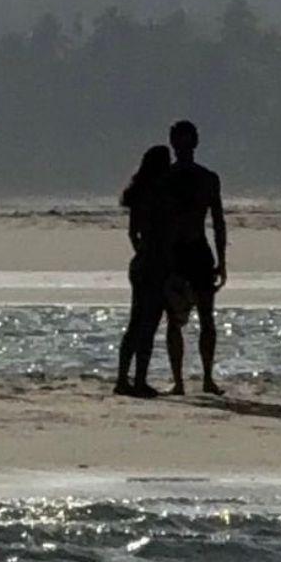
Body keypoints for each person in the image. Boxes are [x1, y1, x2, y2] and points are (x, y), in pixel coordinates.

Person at [159, 120, 227, 396]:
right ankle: (185, 380)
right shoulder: (174, 178)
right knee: (179, 319)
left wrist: (222, 259)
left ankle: (199, 379)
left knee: (199, 318)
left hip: (192, 252)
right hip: (181, 253)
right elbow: (218, 223)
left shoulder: (204, 178)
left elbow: (218, 222)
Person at [114, 144, 178, 398]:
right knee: (149, 323)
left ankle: (122, 378)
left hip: (141, 261)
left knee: (135, 322)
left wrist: (142, 250)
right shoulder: (162, 196)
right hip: (157, 263)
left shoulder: (139, 195)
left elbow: (133, 233)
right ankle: (139, 379)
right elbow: (169, 233)